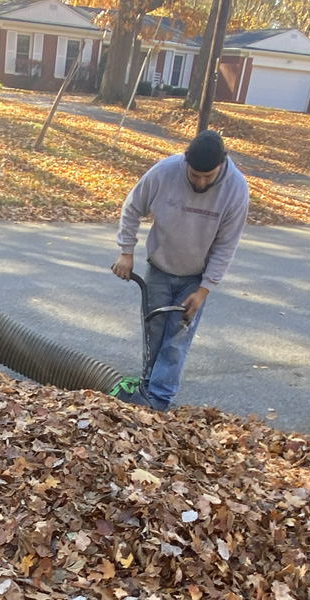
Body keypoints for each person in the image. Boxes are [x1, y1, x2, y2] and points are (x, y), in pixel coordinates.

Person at [110, 129, 249, 411]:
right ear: (186, 160)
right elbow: (132, 206)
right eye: (194, 174)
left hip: (194, 278)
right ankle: (146, 391)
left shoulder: (236, 189)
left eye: (207, 177)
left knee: (176, 340)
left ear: (222, 163)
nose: (200, 181)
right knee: (154, 332)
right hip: (159, 268)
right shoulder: (165, 172)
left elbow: (226, 245)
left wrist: (204, 290)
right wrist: (126, 252)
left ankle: (159, 401)